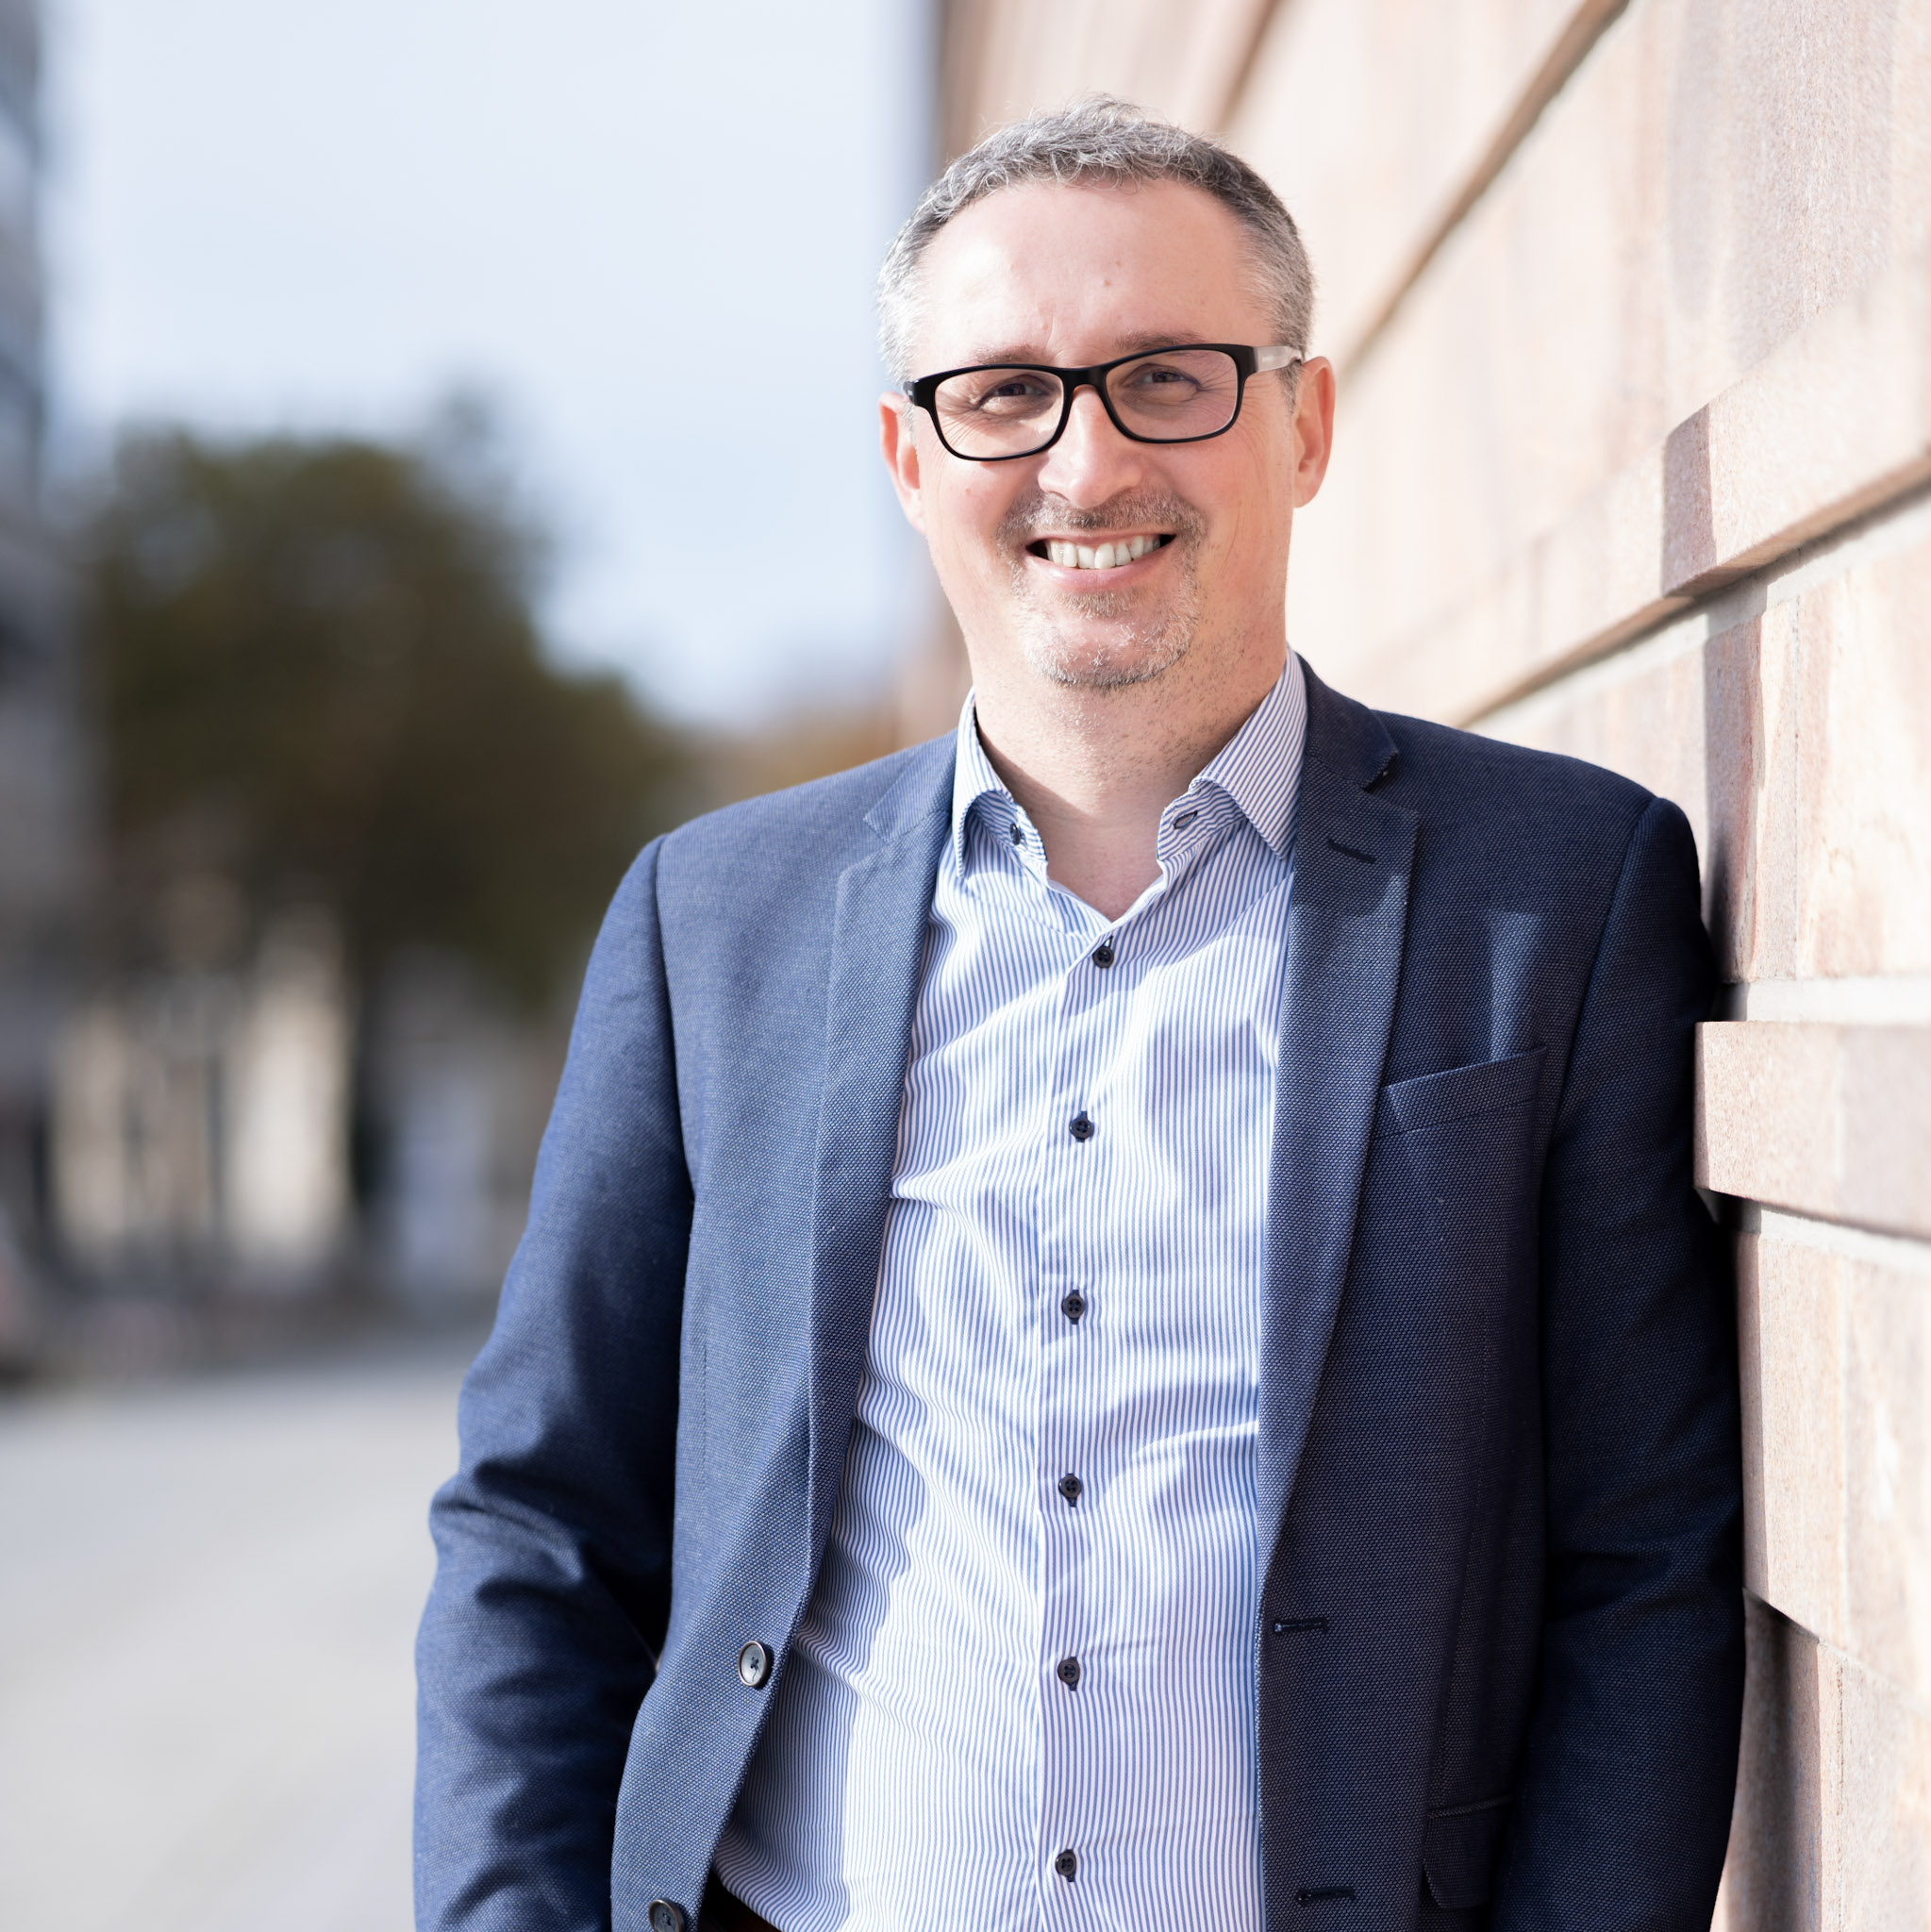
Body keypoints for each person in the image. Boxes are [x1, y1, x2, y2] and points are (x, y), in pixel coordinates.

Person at [415, 100, 1743, 1932]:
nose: (1086, 461)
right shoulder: (711, 921)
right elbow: (538, 1525)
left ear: (1304, 424)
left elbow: (1642, 1558)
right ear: (908, 452)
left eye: (1167, 379)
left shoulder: (1565, 891)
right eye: (1004, 393)